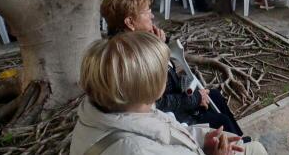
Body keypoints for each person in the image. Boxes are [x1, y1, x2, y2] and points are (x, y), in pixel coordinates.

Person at [70, 31, 267, 155]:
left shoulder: (127, 108)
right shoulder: (134, 149)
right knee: (256, 149)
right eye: (162, 71)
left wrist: (199, 139)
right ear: (147, 86)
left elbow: (165, 128)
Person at [99, 0, 244, 136]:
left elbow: (169, 75)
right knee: (221, 121)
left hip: (177, 102)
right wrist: (196, 98)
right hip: (170, 120)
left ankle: (242, 141)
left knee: (215, 96)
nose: (152, 15)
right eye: (147, 11)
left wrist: (159, 47)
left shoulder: (136, 44)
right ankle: (241, 146)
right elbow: (157, 103)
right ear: (130, 22)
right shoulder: (131, 57)